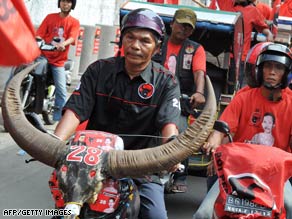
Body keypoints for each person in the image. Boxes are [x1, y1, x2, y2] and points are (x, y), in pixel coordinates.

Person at [54, 8, 181, 219]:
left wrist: (173, 151)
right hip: (90, 163)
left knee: (156, 216)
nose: (135, 46)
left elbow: (169, 125)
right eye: (130, 37)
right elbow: (75, 111)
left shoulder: (166, 82)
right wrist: (55, 142)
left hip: (141, 167)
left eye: (145, 41)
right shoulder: (99, 70)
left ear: (157, 48)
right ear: (121, 39)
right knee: (64, 213)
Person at [193, 42, 292, 219]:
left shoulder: (291, 103)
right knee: (203, 214)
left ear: (286, 73)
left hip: (276, 175)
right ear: (260, 70)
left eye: (278, 67)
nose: (271, 72)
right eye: (268, 66)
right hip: (236, 171)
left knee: (291, 207)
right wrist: (212, 144)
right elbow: (221, 129)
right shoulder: (243, 98)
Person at [153, 8, 206, 193]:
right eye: (180, 25)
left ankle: (181, 173)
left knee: (182, 132)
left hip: (179, 99)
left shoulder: (196, 49)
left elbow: (199, 72)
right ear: (171, 24)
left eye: (188, 28)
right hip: (152, 94)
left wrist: (199, 92)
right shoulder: (157, 43)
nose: (183, 30)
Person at [208, 0, 274, 87]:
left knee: (234, 87)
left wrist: (269, 38)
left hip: (239, 58)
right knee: (216, 84)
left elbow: (266, 30)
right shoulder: (224, 2)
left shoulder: (253, 11)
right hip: (219, 54)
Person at [36, 0, 80, 121]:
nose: (65, 4)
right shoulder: (50, 17)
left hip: (58, 61)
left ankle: (57, 119)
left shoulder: (74, 22)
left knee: (61, 90)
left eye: (68, 2)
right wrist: (37, 40)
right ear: (59, 3)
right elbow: (39, 34)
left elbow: (72, 37)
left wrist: (63, 44)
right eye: (63, 1)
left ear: (72, 5)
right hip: (43, 56)